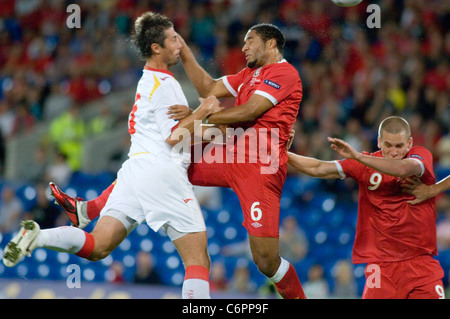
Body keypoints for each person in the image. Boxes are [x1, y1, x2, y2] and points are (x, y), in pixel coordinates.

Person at [49, 23, 306, 299]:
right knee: (162, 158)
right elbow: (208, 86)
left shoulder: (285, 73)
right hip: (229, 154)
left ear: (271, 45)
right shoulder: (249, 74)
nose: (243, 47)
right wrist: (183, 51)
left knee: (266, 262)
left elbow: (249, 111)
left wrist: (201, 114)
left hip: (260, 169)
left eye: (250, 41)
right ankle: (89, 208)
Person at [2, 12, 223, 299]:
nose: (179, 45)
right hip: (161, 172)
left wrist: (215, 129)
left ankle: (39, 236)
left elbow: (180, 131)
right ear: (156, 48)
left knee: (98, 246)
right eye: (173, 39)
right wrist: (204, 110)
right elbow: (174, 137)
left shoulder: (148, 81)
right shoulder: (166, 85)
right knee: (198, 260)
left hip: (133, 175)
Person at [288, 116, 445, 299]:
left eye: (399, 146)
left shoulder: (419, 155)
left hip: (421, 265)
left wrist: (434, 189)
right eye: (388, 145)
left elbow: (402, 169)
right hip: (381, 267)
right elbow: (317, 167)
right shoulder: (364, 165)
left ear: (410, 143)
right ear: (379, 142)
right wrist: (282, 154)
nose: (394, 152)